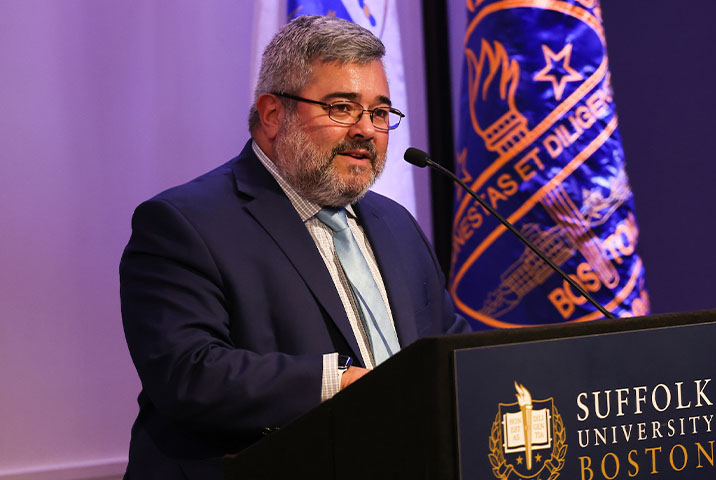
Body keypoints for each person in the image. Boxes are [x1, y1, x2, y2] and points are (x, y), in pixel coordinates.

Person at [120, 15, 468, 479]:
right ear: (272, 114)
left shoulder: (396, 223)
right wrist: (338, 383)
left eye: (380, 113)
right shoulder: (183, 224)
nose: (366, 130)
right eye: (342, 107)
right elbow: (188, 373)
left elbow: (448, 346)